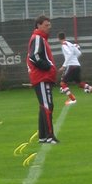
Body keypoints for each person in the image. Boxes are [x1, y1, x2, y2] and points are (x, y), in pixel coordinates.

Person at [27, 15, 59, 144]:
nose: (49, 27)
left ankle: (43, 136)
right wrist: (47, 66)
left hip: (43, 76)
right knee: (47, 105)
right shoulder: (38, 38)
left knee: (43, 106)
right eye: (46, 25)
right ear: (38, 25)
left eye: (49, 25)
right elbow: (33, 56)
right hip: (42, 77)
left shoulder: (41, 38)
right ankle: (50, 136)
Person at [57, 31, 92, 105]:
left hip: (71, 66)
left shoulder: (63, 45)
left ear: (58, 39)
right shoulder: (70, 44)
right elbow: (79, 53)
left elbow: (68, 54)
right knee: (80, 84)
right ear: (65, 37)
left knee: (63, 83)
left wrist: (64, 66)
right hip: (77, 65)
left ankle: (73, 99)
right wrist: (74, 59)